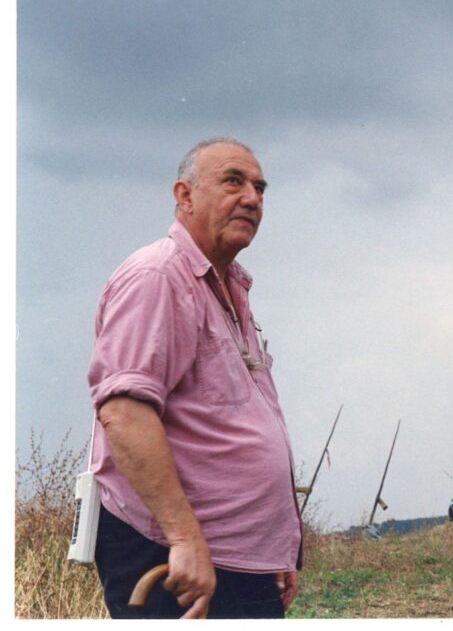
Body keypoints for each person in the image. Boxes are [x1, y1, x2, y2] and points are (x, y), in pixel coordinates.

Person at [87, 138, 302, 619]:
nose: (252, 198)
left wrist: (276, 549)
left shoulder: (229, 287)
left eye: (260, 188)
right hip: (176, 561)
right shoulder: (158, 276)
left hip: (236, 561)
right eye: (233, 181)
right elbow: (124, 412)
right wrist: (184, 540)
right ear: (184, 195)